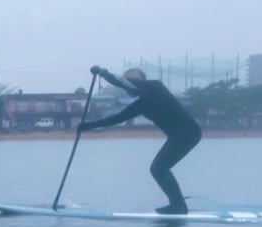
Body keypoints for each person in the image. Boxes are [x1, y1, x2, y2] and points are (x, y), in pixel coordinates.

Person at [79, 66, 202, 214]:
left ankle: (178, 206)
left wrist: (104, 74)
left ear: (141, 81)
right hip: (182, 135)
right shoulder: (141, 105)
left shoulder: (156, 86)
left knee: (159, 168)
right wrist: (88, 126)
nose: (129, 84)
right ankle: (178, 205)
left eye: (133, 79)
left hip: (188, 132)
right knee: (159, 169)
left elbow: (124, 82)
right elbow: (116, 119)